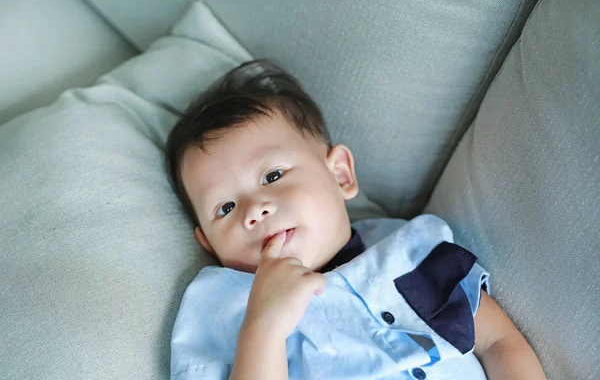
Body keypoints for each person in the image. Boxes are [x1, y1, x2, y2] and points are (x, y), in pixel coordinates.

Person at [165, 59, 546, 380]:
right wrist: (263, 327)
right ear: (208, 243)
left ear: (340, 175)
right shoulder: (221, 307)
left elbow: (498, 341)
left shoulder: (406, 253)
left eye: (273, 176)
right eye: (226, 209)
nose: (254, 210)